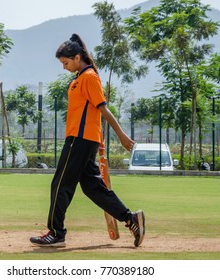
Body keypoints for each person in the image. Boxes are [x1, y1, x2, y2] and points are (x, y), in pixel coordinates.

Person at [30, 34, 145, 247]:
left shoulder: (89, 77)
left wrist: (121, 136)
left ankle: (56, 233)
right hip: (83, 139)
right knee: (93, 188)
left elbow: (103, 109)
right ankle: (131, 219)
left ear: (76, 57)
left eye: (65, 63)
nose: (64, 67)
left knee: (60, 184)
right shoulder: (80, 77)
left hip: (80, 140)